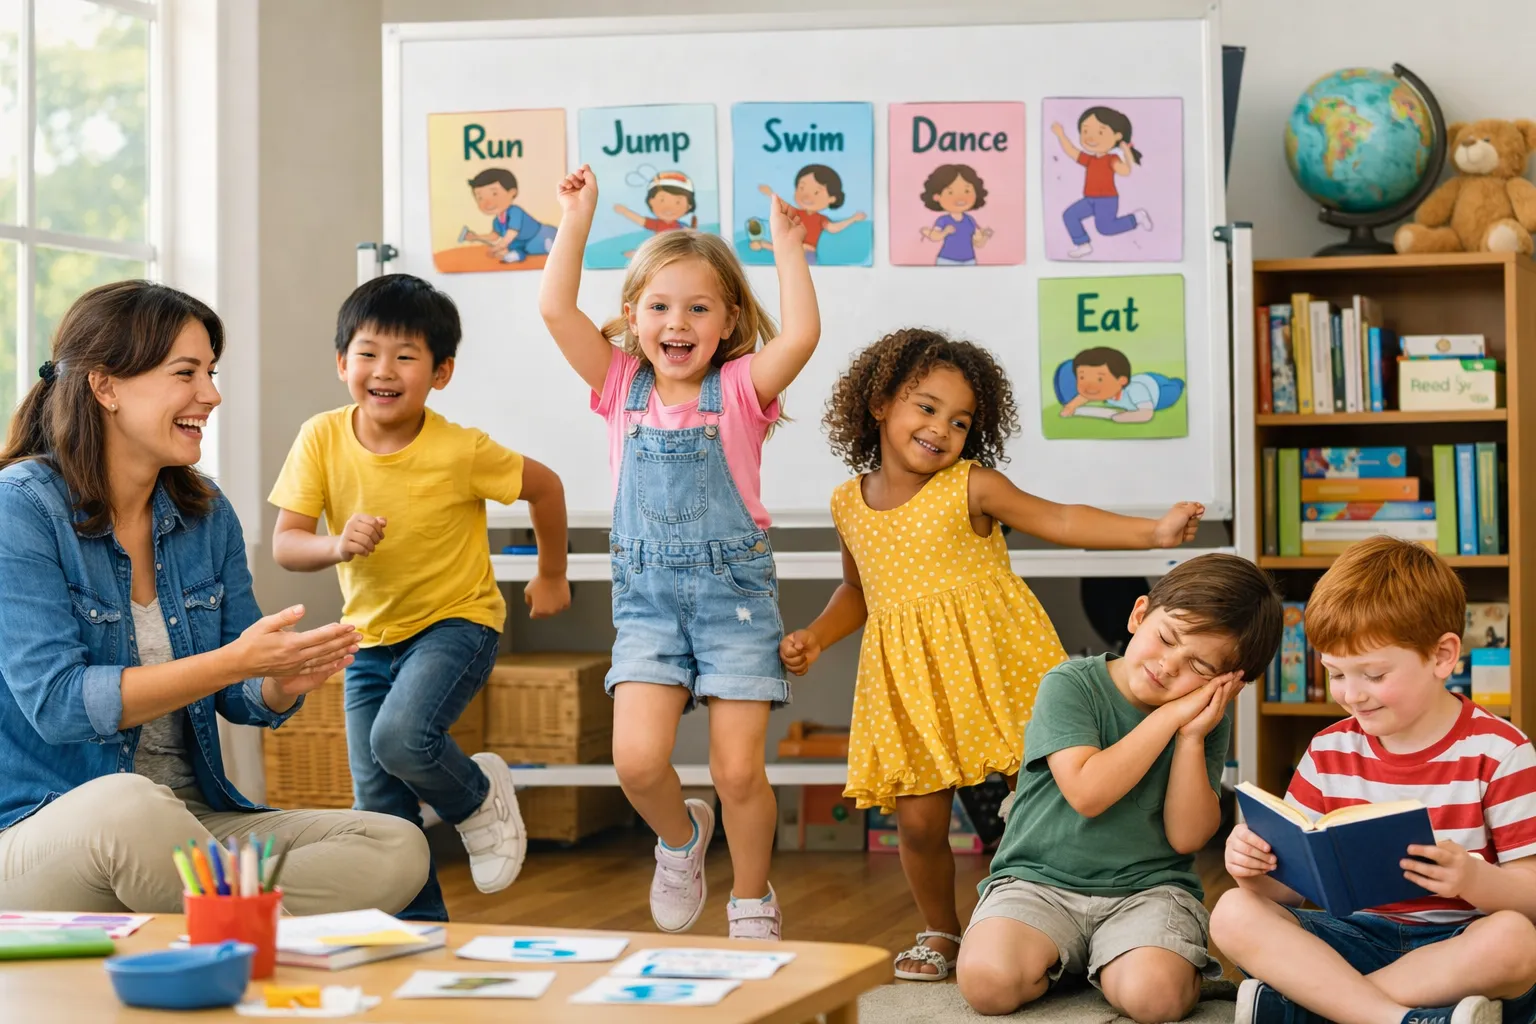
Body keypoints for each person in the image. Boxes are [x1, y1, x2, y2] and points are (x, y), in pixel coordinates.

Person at [778, 328, 1207, 981]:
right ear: (879, 403)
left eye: (960, 420)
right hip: (909, 682)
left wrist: (1151, 532)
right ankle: (940, 930)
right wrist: (815, 634)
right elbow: (858, 590)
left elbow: (1061, 520)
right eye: (926, 408)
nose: (941, 429)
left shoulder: (972, 485)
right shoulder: (849, 504)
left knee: (1037, 800)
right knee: (920, 824)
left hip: (997, 666)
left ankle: (1068, 909)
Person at [0, 280, 429, 914]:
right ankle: (246, 929)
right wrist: (236, 663)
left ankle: (184, 915)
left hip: (190, 829)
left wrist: (281, 679)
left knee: (393, 842)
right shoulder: (22, 506)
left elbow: (240, 689)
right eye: (186, 373)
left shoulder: (202, 512)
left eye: (211, 371)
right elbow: (59, 704)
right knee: (129, 804)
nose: (212, 394)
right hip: (47, 830)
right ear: (105, 385)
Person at [539, 164, 819, 940]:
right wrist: (577, 216)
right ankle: (681, 839)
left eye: (699, 307)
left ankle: (752, 899)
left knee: (736, 771)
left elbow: (799, 335)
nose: (679, 322)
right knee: (637, 762)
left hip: (734, 602)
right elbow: (556, 309)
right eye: (660, 306)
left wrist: (791, 248)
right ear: (633, 316)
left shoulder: (738, 392)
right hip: (649, 604)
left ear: (728, 320)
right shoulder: (618, 384)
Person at [269, 274, 570, 922]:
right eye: (369, 353)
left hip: (455, 623)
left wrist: (550, 574)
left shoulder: (460, 449)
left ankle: (476, 796)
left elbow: (545, 488)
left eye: (406, 356)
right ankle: (418, 937)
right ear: (342, 362)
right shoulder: (320, 437)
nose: (384, 370)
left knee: (401, 738)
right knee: (379, 808)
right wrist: (336, 545)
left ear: (441, 372)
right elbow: (288, 544)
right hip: (367, 637)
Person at [1212, 537, 1536, 1024]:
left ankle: (1319, 1009)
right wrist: (1252, 869)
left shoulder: (1500, 752)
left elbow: (1530, 894)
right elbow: (1285, 895)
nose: (1352, 695)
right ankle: (1393, 1018)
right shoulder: (1329, 750)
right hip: (1354, 939)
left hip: (1457, 946)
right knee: (1233, 911)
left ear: (1442, 656)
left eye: (1374, 674)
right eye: (1336, 673)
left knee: (1515, 940)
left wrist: (1474, 879)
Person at [954, 554, 1281, 1021]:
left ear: (1229, 685)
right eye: (1166, 638)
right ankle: (1077, 958)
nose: (1168, 666)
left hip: (1148, 890)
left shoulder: (1205, 724)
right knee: (988, 983)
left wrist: (1189, 738)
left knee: (1156, 1000)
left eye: (1199, 666)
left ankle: (1126, 961)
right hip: (1036, 883)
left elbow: (1187, 838)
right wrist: (1170, 717)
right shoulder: (1070, 685)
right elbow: (1088, 793)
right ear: (1139, 614)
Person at [1050, 106, 1152, 259]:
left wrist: (1127, 152)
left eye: (1100, 132)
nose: (1090, 137)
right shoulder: (1090, 159)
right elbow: (1071, 151)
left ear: (1117, 136)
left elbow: (1125, 171)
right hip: (1089, 199)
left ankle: (1136, 218)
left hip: (1107, 200)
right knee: (1069, 215)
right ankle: (1083, 244)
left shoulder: (1111, 159)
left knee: (1105, 228)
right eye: (1085, 131)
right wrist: (1060, 134)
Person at [750, 165, 867, 264]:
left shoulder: (820, 219)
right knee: (785, 248)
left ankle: (762, 245)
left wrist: (853, 218)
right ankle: (762, 244)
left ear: (832, 198)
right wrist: (770, 193)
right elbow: (781, 205)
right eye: (801, 188)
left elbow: (833, 228)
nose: (806, 196)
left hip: (807, 253)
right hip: (792, 249)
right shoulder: (796, 212)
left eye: (816, 192)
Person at [461, 168, 558, 263]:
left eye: (494, 194)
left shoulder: (515, 211)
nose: (487, 203)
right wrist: (476, 237)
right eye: (480, 197)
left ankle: (551, 245)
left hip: (538, 236)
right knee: (513, 250)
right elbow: (494, 236)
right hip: (520, 244)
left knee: (538, 246)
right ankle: (516, 255)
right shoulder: (497, 221)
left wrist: (498, 247)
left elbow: (511, 234)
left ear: (512, 192)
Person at [919, 164, 993, 266]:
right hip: (947, 260)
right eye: (950, 192)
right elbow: (934, 236)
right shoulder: (943, 220)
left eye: (967, 191)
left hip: (969, 260)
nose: (960, 197)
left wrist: (985, 236)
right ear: (937, 197)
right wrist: (945, 232)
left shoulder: (970, 220)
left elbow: (978, 243)